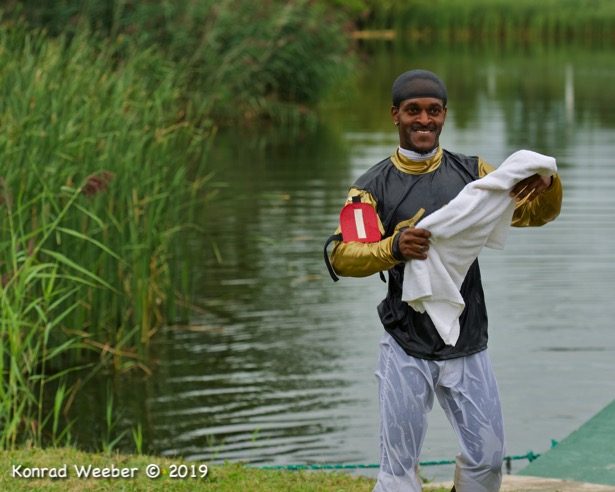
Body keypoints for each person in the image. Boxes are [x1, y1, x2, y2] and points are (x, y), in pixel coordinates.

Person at [326, 69, 562, 492]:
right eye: (413, 111)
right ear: (394, 115)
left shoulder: (475, 174)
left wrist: (547, 183)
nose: (424, 120)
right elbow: (343, 256)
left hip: (467, 338)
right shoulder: (369, 188)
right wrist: (393, 248)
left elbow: (535, 214)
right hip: (404, 342)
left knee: (488, 461)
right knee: (398, 470)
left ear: (444, 115)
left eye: (433, 111)